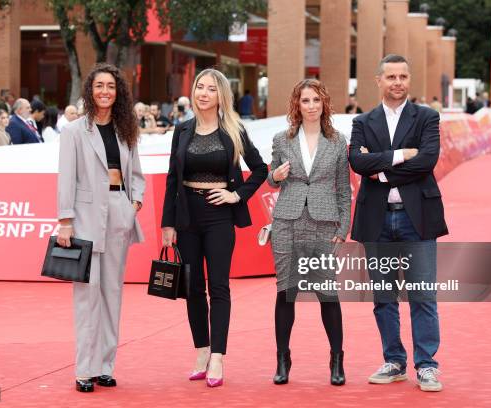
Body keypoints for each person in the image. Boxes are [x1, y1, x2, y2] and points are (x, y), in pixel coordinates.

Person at [160, 68, 267, 388]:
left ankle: (218, 356)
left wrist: (236, 194)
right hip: (186, 216)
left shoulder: (234, 130)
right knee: (193, 287)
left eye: (210, 88)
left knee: (218, 286)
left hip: (219, 216)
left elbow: (260, 169)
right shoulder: (182, 130)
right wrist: (168, 222)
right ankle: (202, 351)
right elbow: (171, 179)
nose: (203, 93)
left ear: (221, 95)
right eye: (199, 87)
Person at [348, 54, 448, 392]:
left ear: (409, 79)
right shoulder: (363, 121)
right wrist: (400, 155)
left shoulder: (426, 117)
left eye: (403, 76)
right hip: (376, 220)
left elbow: (427, 161)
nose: (398, 82)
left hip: (416, 218)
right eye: (391, 76)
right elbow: (356, 162)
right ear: (378, 80)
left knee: (422, 294)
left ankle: (427, 365)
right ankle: (394, 361)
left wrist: (380, 169)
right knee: (384, 296)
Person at [57, 62, 144, 393]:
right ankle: (84, 368)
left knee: (112, 294)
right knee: (86, 297)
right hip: (84, 220)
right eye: (99, 86)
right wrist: (65, 221)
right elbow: (66, 179)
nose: (105, 91)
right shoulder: (74, 132)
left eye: (110, 86)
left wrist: (133, 204)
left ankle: (105, 366)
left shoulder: (126, 130)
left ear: (118, 91)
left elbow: (136, 174)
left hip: (118, 217)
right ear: (90, 91)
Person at [267, 79, 351, 386]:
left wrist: (343, 227)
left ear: (324, 103)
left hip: (324, 225)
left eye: (316, 100)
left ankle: (337, 359)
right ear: (297, 105)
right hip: (287, 222)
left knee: (327, 293)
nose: (311, 105)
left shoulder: (338, 141)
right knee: (285, 292)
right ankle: (282, 359)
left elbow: (343, 188)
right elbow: (271, 181)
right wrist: (274, 175)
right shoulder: (281, 139)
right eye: (305, 100)